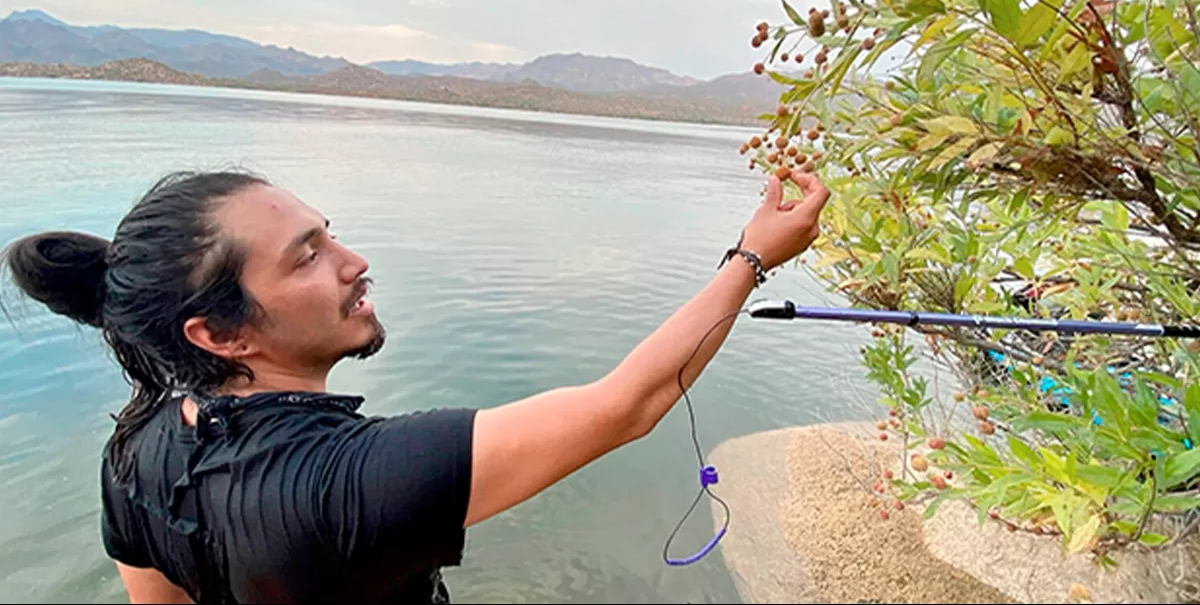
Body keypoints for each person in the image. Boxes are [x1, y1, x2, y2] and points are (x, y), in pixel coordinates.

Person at [1, 168, 828, 604]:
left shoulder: (134, 448)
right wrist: (752, 258)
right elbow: (629, 404)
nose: (353, 262)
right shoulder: (355, 480)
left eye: (331, 235)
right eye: (308, 255)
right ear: (218, 334)